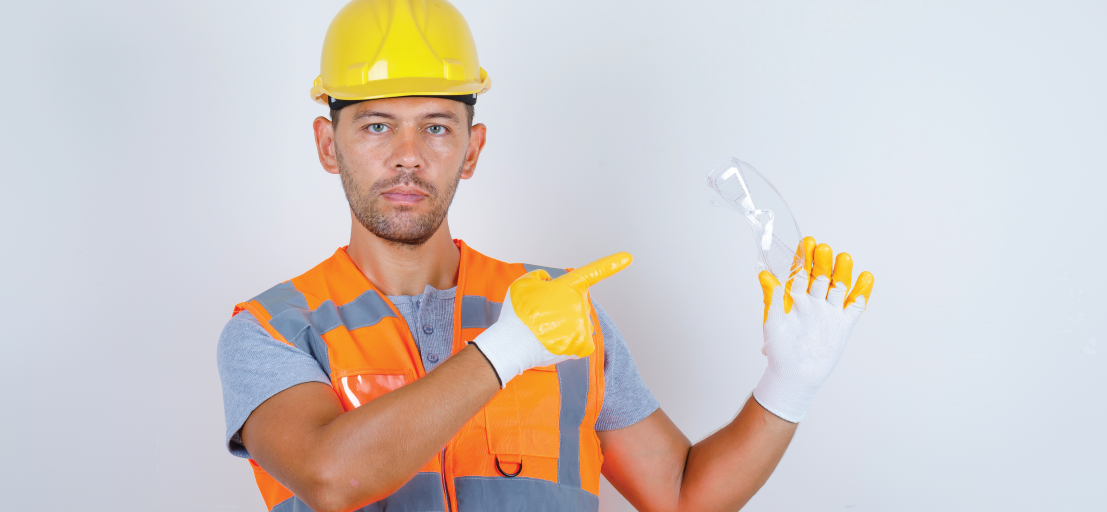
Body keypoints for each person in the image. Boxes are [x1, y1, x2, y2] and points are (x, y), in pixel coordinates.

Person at [216, 1, 875, 511]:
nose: (408, 154)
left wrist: (788, 387)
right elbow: (332, 478)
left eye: (437, 126)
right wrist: (506, 352)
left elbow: (679, 496)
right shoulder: (274, 329)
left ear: (471, 150)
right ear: (328, 146)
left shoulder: (565, 312)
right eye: (376, 125)